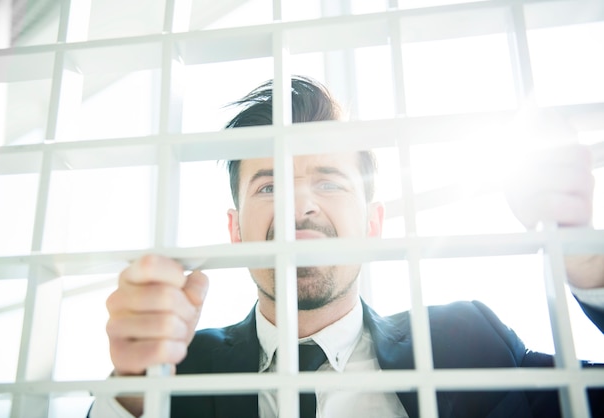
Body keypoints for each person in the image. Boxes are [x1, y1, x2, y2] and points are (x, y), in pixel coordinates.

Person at [90, 76, 604, 417]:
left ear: (373, 223)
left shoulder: (467, 339)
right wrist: (134, 385)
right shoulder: (176, 373)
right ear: (235, 230)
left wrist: (593, 268)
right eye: (268, 186)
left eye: (330, 181)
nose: (299, 207)